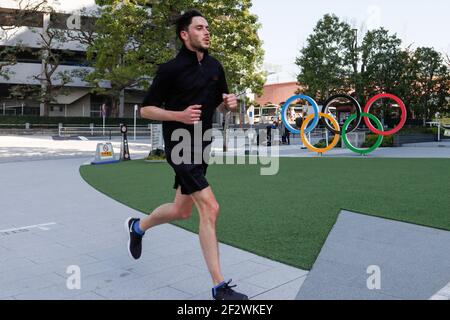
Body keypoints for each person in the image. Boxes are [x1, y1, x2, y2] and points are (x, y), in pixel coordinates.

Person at [125, 10, 248, 300]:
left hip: (202, 144)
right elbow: (146, 109)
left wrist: (229, 104)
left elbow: (219, 107)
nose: (207, 32)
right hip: (179, 146)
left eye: (207, 27)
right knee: (210, 208)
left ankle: (137, 227)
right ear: (185, 34)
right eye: (199, 28)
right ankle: (219, 286)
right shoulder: (170, 69)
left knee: (182, 210)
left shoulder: (216, 67)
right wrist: (177, 115)